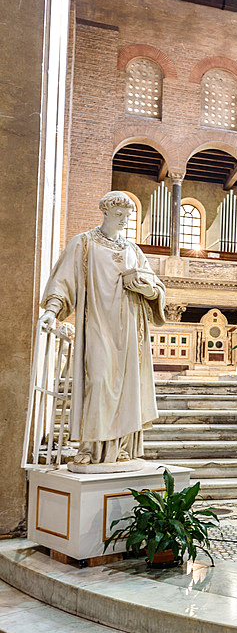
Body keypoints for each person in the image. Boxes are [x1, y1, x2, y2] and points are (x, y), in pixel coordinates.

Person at [39, 191, 166, 468]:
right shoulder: (83, 244)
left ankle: (119, 446)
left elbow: (156, 287)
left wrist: (148, 289)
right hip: (97, 322)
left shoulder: (133, 250)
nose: (123, 220)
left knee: (125, 387)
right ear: (105, 213)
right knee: (98, 381)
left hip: (130, 329)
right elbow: (63, 280)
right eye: (118, 215)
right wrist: (51, 310)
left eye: (127, 216)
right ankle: (89, 446)